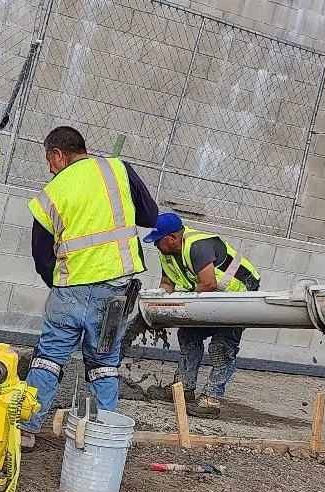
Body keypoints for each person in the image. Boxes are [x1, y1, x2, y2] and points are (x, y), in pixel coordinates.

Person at [20, 126, 158, 447]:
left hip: (69, 291)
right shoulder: (118, 170)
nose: (50, 168)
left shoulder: (52, 191)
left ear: (57, 154)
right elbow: (150, 215)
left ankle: (26, 429)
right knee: (103, 365)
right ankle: (100, 434)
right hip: (114, 293)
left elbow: (41, 254)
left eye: (49, 161)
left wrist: (59, 285)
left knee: (49, 358)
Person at [144, 212, 261, 418]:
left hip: (239, 293)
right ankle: (183, 389)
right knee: (189, 335)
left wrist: (183, 301)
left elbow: (209, 283)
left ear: (172, 238)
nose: (156, 246)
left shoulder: (198, 246)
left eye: (158, 241)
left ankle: (212, 399)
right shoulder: (167, 253)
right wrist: (159, 302)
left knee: (221, 345)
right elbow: (167, 284)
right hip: (208, 294)